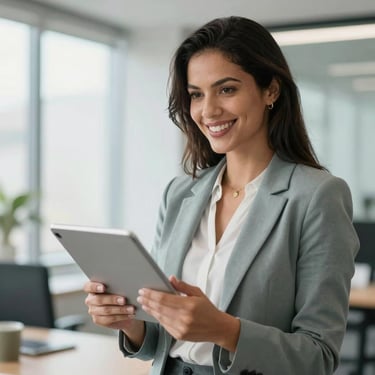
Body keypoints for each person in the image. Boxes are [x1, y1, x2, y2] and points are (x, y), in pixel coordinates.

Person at [84, 16, 359, 375]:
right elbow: (162, 342)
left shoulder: (317, 196)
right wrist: (129, 323)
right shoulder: (180, 194)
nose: (208, 110)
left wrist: (226, 330)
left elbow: (318, 356)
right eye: (196, 94)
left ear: (271, 90)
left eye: (226, 89)